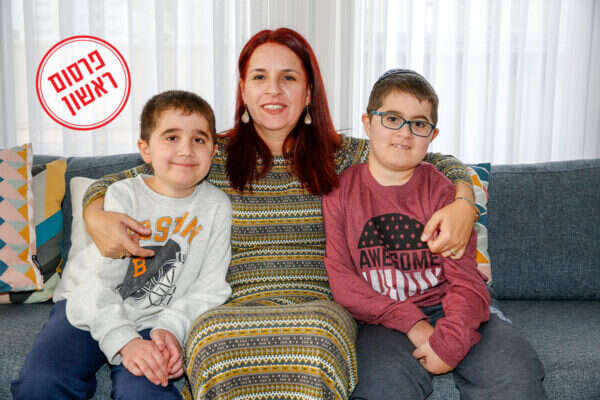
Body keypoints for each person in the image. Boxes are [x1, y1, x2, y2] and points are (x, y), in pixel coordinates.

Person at [81, 29, 478, 399]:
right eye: (260, 77)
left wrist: (463, 202)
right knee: (212, 341)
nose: (273, 89)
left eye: (288, 77)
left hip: (320, 308)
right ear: (243, 90)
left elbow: (437, 161)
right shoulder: (209, 155)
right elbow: (123, 179)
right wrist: (95, 215)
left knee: (318, 341)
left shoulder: (344, 155)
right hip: (229, 308)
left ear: (308, 93)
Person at [322, 69, 546, 399]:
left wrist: (450, 342)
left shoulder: (442, 192)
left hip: (454, 305)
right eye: (392, 119)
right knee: (381, 384)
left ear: (432, 135)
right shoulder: (340, 192)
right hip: (383, 318)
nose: (405, 133)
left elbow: (466, 282)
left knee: (514, 369)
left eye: (419, 124)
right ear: (368, 123)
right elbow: (344, 282)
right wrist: (413, 324)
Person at [11, 90, 232, 400]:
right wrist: (124, 341)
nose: (186, 150)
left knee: (144, 394)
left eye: (199, 139)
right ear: (145, 149)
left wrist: (171, 328)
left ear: (213, 152)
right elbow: (98, 283)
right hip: (89, 308)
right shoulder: (121, 195)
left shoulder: (217, 206)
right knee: (41, 383)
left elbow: (210, 288)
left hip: (155, 321)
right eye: (171, 137)